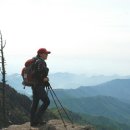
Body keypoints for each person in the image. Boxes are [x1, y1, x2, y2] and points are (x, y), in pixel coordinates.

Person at [30, 48, 51, 127]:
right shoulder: (40, 62)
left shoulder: (36, 61)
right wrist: (44, 79)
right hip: (38, 85)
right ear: (41, 54)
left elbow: (36, 73)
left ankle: (33, 122)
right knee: (46, 102)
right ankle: (37, 119)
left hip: (34, 85)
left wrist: (43, 79)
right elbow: (37, 73)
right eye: (45, 54)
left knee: (35, 103)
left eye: (47, 54)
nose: (47, 55)